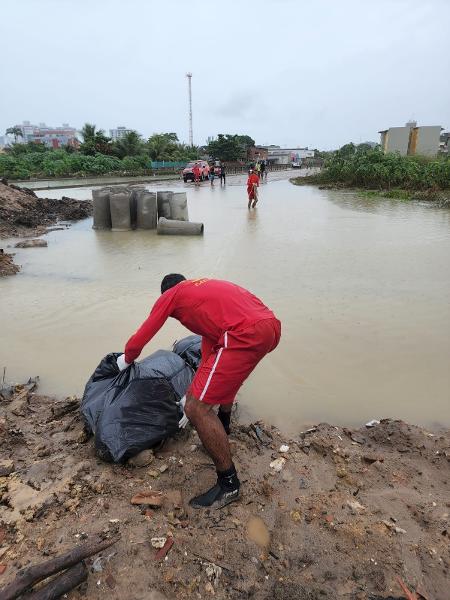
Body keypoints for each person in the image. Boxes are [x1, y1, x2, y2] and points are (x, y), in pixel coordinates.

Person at [116, 275, 281, 509]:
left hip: (243, 332)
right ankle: (224, 427)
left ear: (166, 293)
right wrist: (196, 388)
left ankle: (229, 484)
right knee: (221, 382)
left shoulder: (172, 294)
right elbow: (209, 354)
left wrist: (126, 359)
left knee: (195, 408)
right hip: (269, 326)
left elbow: (146, 330)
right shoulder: (201, 292)